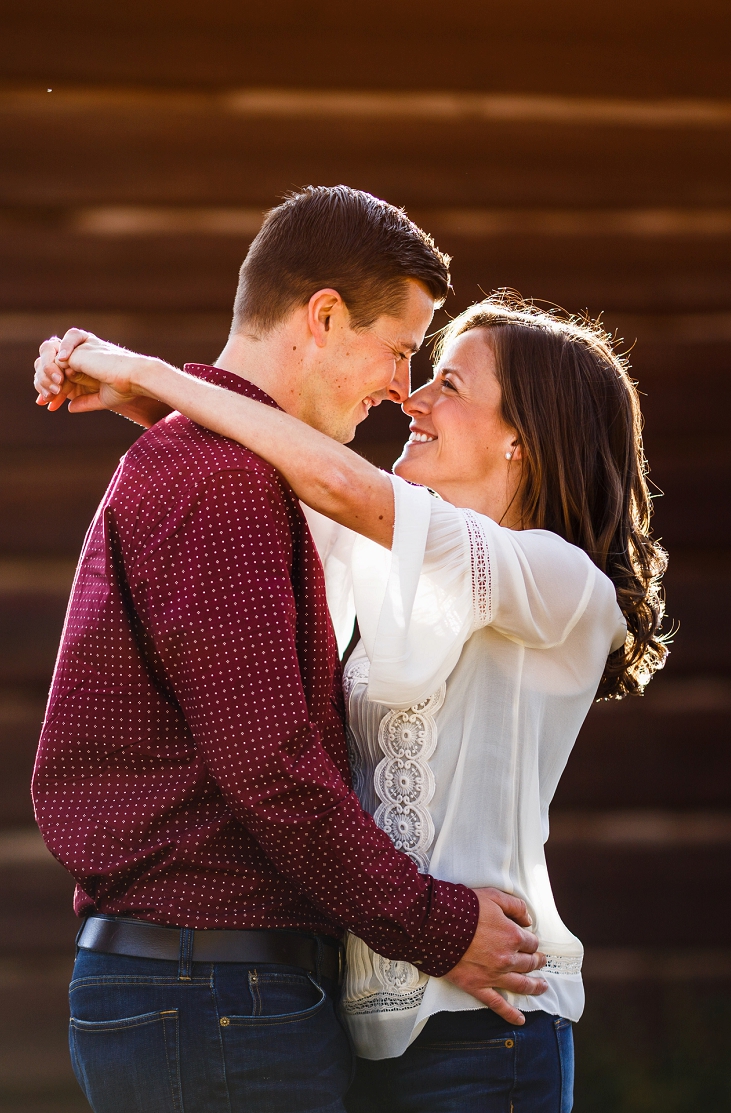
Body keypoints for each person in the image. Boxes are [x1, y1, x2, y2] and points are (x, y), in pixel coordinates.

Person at [34, 290, 671, 1113]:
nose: (414, 398)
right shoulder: (395, 561)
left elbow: (333, 478)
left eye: (449, 384)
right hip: (362, 1030)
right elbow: (270, 465)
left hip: (489, 1025)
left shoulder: (562, 582)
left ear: (521, 437)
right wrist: (149, 407)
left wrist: (144, 370)